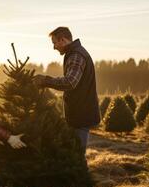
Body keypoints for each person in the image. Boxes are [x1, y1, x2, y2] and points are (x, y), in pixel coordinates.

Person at [33, 27, 100, 156]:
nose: (54, 47)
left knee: (77, 155)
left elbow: (70, 82)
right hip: (78, 112)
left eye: (54, 43)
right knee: (74, 153)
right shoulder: (75, 53)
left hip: (81, 114)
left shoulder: (76, 55)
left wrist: (45, 81)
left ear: (63, 40)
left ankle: (80, 176)